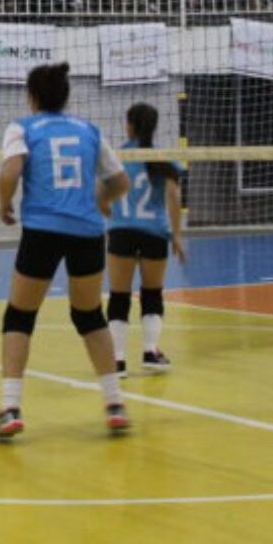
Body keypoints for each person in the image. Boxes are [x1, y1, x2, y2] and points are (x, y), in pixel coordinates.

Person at [0, 63, 131, 439]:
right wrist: (100, 199)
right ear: (65, 95)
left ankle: (10, 408)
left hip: (42, 229)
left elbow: (10, 172)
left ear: (32, 96)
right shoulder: (88, 130)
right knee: (89, 316)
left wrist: (4, 204)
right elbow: (120, 180)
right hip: (87, 231)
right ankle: (115, 403)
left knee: (19, 316)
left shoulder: (22, 127)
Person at [105, 103, 185, 377]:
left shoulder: (116, 157)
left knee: (119, 296)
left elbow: (100, 193)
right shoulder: (163, 157)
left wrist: (109, 214)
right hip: (154, 233)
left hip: (122, 231)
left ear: (129, 125)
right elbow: (174, 196)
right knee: (152, 295)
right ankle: (150, 351)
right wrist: (177, 235)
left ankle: (117, 361)